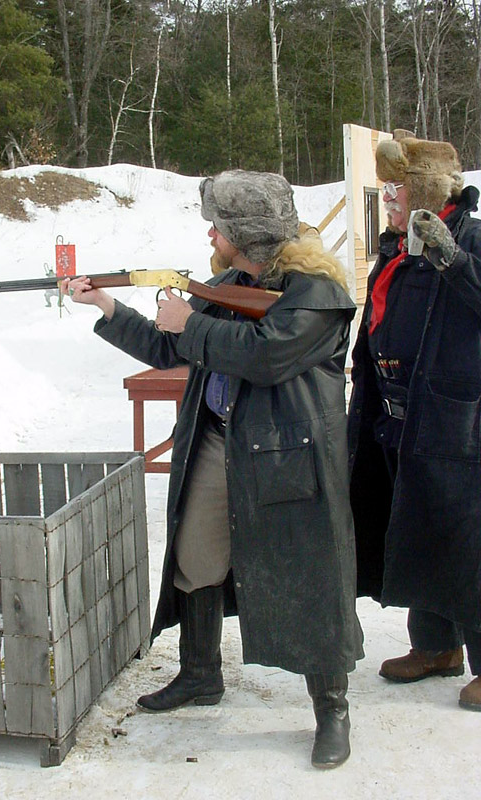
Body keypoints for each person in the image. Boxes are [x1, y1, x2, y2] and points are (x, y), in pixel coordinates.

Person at [65, 170, 364, 768]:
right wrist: (106, 304)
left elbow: (268, 354)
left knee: (311, 578)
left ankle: (331, 707)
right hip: (216, 442)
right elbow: (170, 347)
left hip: (288, 458)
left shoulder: (317, 292)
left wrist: (190, 322)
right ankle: (201, 674)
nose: (209, 233)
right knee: (195, 558)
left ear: (245, 235)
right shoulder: (230, 283)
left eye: (219, 227)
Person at [348, 130, 481, 711]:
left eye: (397, 189)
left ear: (425, 188)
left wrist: (450, 257)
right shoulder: (398, 243)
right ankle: (436, 648)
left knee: (466, 541)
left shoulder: (468, 236)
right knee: (417, 527)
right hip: (400, 413)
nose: (390, 200)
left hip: (455, 422)